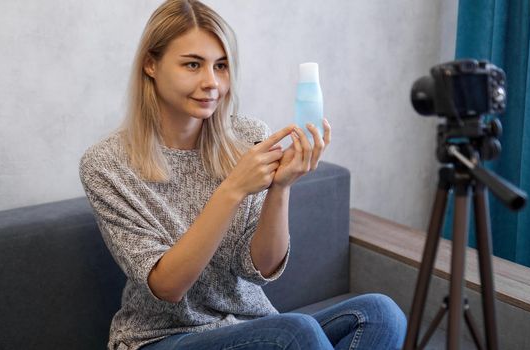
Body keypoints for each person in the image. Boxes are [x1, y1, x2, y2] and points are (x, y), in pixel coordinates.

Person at [79, 0, 406, 349]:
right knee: (295, 333)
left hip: (251, 326)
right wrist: (233, 189)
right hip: (162, 338)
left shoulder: (248, 136)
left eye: (221, 66)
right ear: (151, 65)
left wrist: (281, 187)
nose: (212, 83)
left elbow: (259, 269)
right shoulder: (107, 164)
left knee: (381, 313)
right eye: (193, 64)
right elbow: (168, 286)